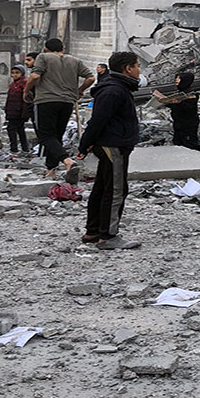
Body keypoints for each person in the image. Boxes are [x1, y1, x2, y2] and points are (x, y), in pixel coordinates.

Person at [76, 51, 141, 250]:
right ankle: (108, 236)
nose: (139, 70)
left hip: (112, 143)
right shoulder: (114, 90)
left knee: (102, 188)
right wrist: (84, 144)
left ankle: (94, 231)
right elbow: (97, 121)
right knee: (116, 190)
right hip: (113, 145)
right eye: (137, 65)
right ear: (127, 68)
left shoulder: (116, 87)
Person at [25, 39, 94, 179]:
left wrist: (26, 91)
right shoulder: (74, 60)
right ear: (63, 47)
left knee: (45, 136)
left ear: (45, 48)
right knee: (56, 137)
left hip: (46, 100)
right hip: (67, 102)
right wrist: (80, 91)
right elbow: (91, 78)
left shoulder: (43, 57)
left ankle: (67, 161)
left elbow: (35, 75)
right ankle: (51, 170)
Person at [153, 71, 200, 150]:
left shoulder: (191, 94)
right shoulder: (179, 93)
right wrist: (166, 101)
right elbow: (175, 107)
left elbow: (190, 109)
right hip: (178, 123)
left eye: (179, 78)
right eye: (176, 78)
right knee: (178, 144)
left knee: (190, 145)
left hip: (188, 124)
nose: (176, 80)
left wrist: (179, 103)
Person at [3, 65, 31, 154]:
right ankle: (24, 148)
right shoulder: (13, 84)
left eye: (17, 73)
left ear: (22, 73)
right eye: (13, 73)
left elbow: (26, 98)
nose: (14, 75)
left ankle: (14, 148)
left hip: (19, 111)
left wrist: (24, 112)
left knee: (11, 128)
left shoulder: (24, 83)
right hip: (12, 110)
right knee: (20, 129)